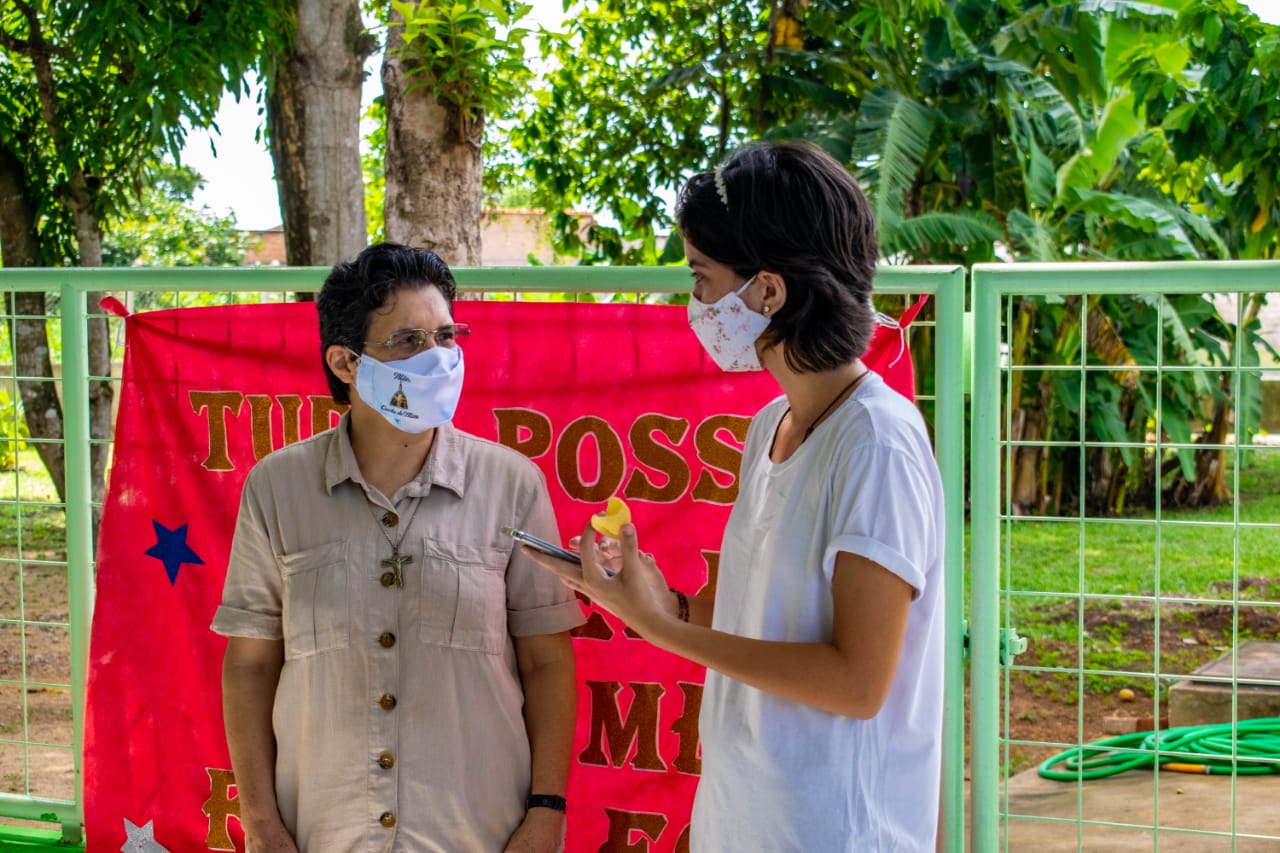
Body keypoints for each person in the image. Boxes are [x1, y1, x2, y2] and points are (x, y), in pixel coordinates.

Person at [524, 142, 945, 851]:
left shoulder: (877, 443)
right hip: (748, 819)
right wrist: (664, 602)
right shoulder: (771, 426)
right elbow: (757, 620)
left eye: (702, 277)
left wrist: (658, 629)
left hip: (835, 832)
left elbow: (857, 682)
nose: (694, 302)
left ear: (768, 292)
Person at [213, 242, 583, 853]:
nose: (437, 357)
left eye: (447, 336)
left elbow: (547, 661)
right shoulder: (277, 487)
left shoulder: (511, 485)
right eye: (409, 341)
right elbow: (250, 665)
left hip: (478, 831)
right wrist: (261, 824)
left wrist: (546, 813)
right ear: (345, 362)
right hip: (322, 832)